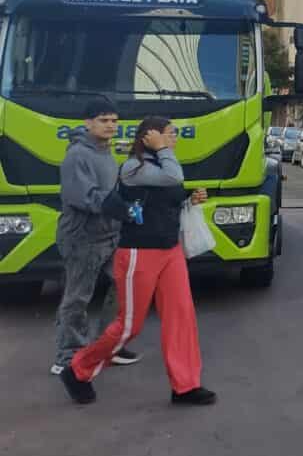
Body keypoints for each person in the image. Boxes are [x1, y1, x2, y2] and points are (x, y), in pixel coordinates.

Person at [60, 117, 216, 406]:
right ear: (150, 137)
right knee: (129, 326)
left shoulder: (159, 166)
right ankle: (78, 370)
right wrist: (162, 150)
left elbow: (165, 195)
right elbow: (173, 177)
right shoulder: (133, 167)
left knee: (181, 317)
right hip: (138, 253)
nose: (174, 140)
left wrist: (188, 199)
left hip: (169, 251)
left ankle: (185, 386)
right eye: (169, 134)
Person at [52, 97, 140, 377]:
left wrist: (126, 202)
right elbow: (83, 196)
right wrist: (117, 205)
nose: (111, 126)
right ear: (87, 122)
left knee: (123, 286)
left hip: (109, 235)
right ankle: (68, 356)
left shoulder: (105, 151)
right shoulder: (78, 155)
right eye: (104, 120)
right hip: (82, 238)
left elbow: (109, 192)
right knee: (78, 298)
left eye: (114, 121)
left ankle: (106, 346)